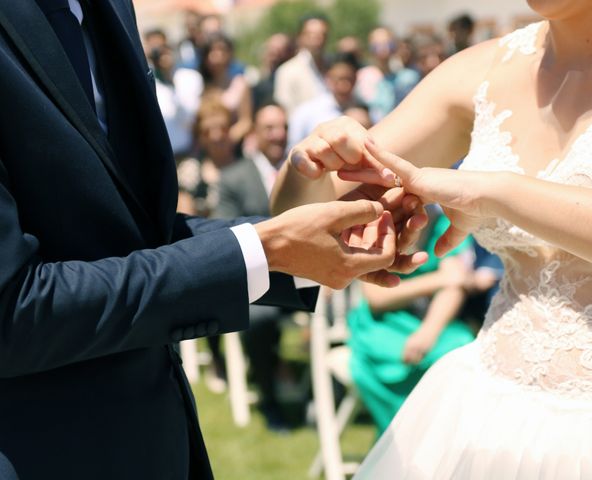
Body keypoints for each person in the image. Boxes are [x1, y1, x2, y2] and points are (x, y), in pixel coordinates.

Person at [0, 2, 426, 480]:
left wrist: (312, 238)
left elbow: (134, 236)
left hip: (160, 438)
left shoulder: (109, 8)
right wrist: (264, 250)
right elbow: (13, 310)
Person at [271, 0, 592, 476]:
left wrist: (496, 192)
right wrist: (312, 161)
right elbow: (300, 218)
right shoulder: (479, 70)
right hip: (487, 410)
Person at [348, 213, 476, 436]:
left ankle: (442, 440)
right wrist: (438, 280)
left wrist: (429, 331)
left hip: (429, 320)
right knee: (393, 356)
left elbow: (454, 287)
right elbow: (377, 298)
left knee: (461, 348)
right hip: (382, 324)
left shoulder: (445, 223)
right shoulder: (378, 223)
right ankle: (401, 437)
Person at [215, 103, 293, 429]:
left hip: (305, 276)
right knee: (260, 318)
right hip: (259, 277)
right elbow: (223, 232)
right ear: (254, 135)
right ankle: (270, 399)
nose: (278, 135)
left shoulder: (304, 171)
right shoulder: (234, 177)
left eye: (282, 127)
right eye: (269, 128)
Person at [287, 52, 360, 149]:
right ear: (328, 78)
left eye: (349, 79)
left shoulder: (366, 110)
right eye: (339, 79)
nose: (344, 86)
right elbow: (293, 150)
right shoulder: (306, 112)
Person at [273, 13, 331, 115]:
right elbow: (286, 110)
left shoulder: (334, 67)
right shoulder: (287, 71)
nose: (318, 40)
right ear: (300, 37)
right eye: (312, 35)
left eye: (322, 35)